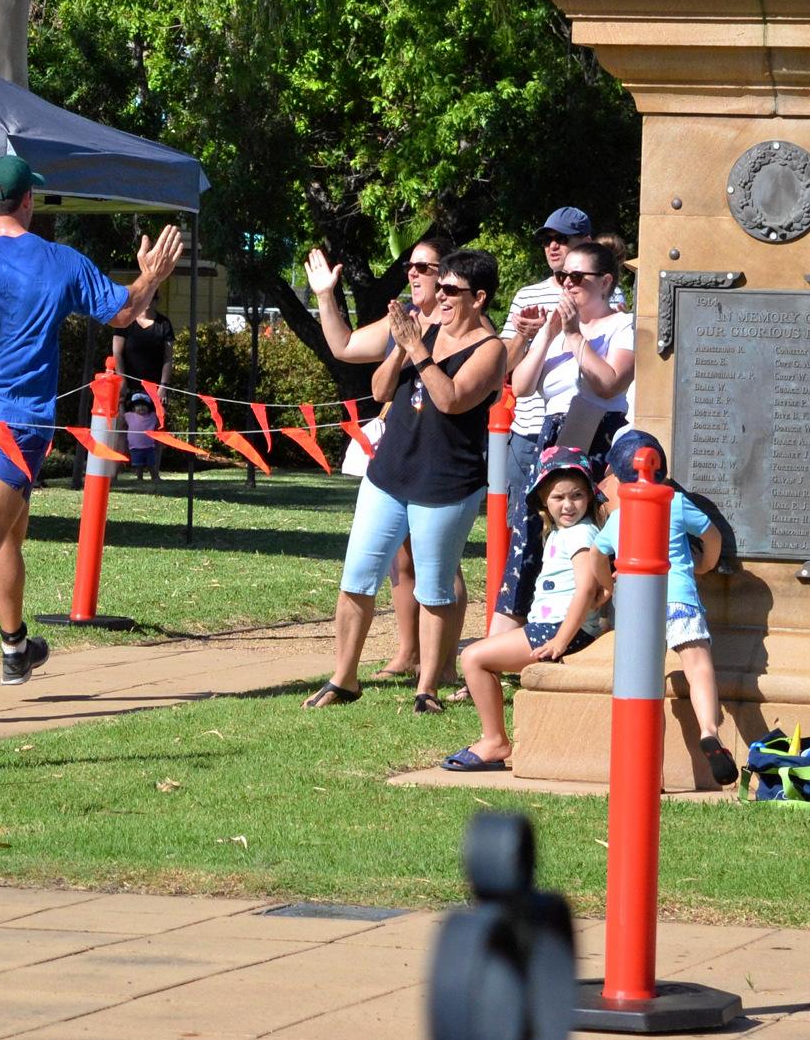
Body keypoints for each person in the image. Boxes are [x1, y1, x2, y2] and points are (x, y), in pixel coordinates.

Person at [0, 154, 186, 693]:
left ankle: (15, 648)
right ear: (28, 200)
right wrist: (150, 277)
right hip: (19, 422)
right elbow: (123, 314)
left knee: (9, 531)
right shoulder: (60, 260)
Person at [308, 249, 507, 713]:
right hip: (389, 473)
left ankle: (428, 688)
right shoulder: (424, 329)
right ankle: (344, 679)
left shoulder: (490, 348)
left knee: (434, 588)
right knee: (358, 576)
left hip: (446, 483)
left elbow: (451, 399)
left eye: (451, 290)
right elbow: (379, 391)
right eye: (441, 288)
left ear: (478, 298)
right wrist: (402, 344)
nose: (441, 296)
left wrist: (417, 348)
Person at [495, 238, 637, 630]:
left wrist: (575, 336)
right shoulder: (556, 328)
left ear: (605, 282)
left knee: (588, 536)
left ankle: (588, 629)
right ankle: (517, 633)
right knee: (532, 535)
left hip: (596, 438)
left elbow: (609, 383)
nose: (567, 284)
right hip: (553, 440)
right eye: (561, 276)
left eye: (577, 277)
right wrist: (545, 334)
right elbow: (521, 386)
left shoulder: (622, 325)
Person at [443, 448, 613, 772]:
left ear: (589, 497)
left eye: (577, 495)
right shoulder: (564, 532)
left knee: (473, 658)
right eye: (558, 497)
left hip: (560, 629)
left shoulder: (580, 533)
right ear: (543, 501)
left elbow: (585, 589)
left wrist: (561, 640)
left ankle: (494, 741)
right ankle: (493, 738)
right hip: (552, 626)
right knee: (478, 657)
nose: (568, 504)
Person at [593, 430, 739, 787]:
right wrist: (704, 565)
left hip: (636, 605)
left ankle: (649, 774)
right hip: (680, 599)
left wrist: (611, 587)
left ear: (617, 475)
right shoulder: (675, 501)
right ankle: (709, 731)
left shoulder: (619, 515)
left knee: (646, 689)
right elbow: (712, 536)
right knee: (698, 664)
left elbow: (599, 556)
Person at [111, 298, 175, 404]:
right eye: (146, 296)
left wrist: (163, 386)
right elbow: (117, 353)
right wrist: (122, 380)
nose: (148, 301)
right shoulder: (125, 320)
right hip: (127, 387)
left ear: (156, 301)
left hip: (155, 389)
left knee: (156, 419)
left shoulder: (164, 324)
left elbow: (168, 357)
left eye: (152, 298)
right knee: (122, 418)